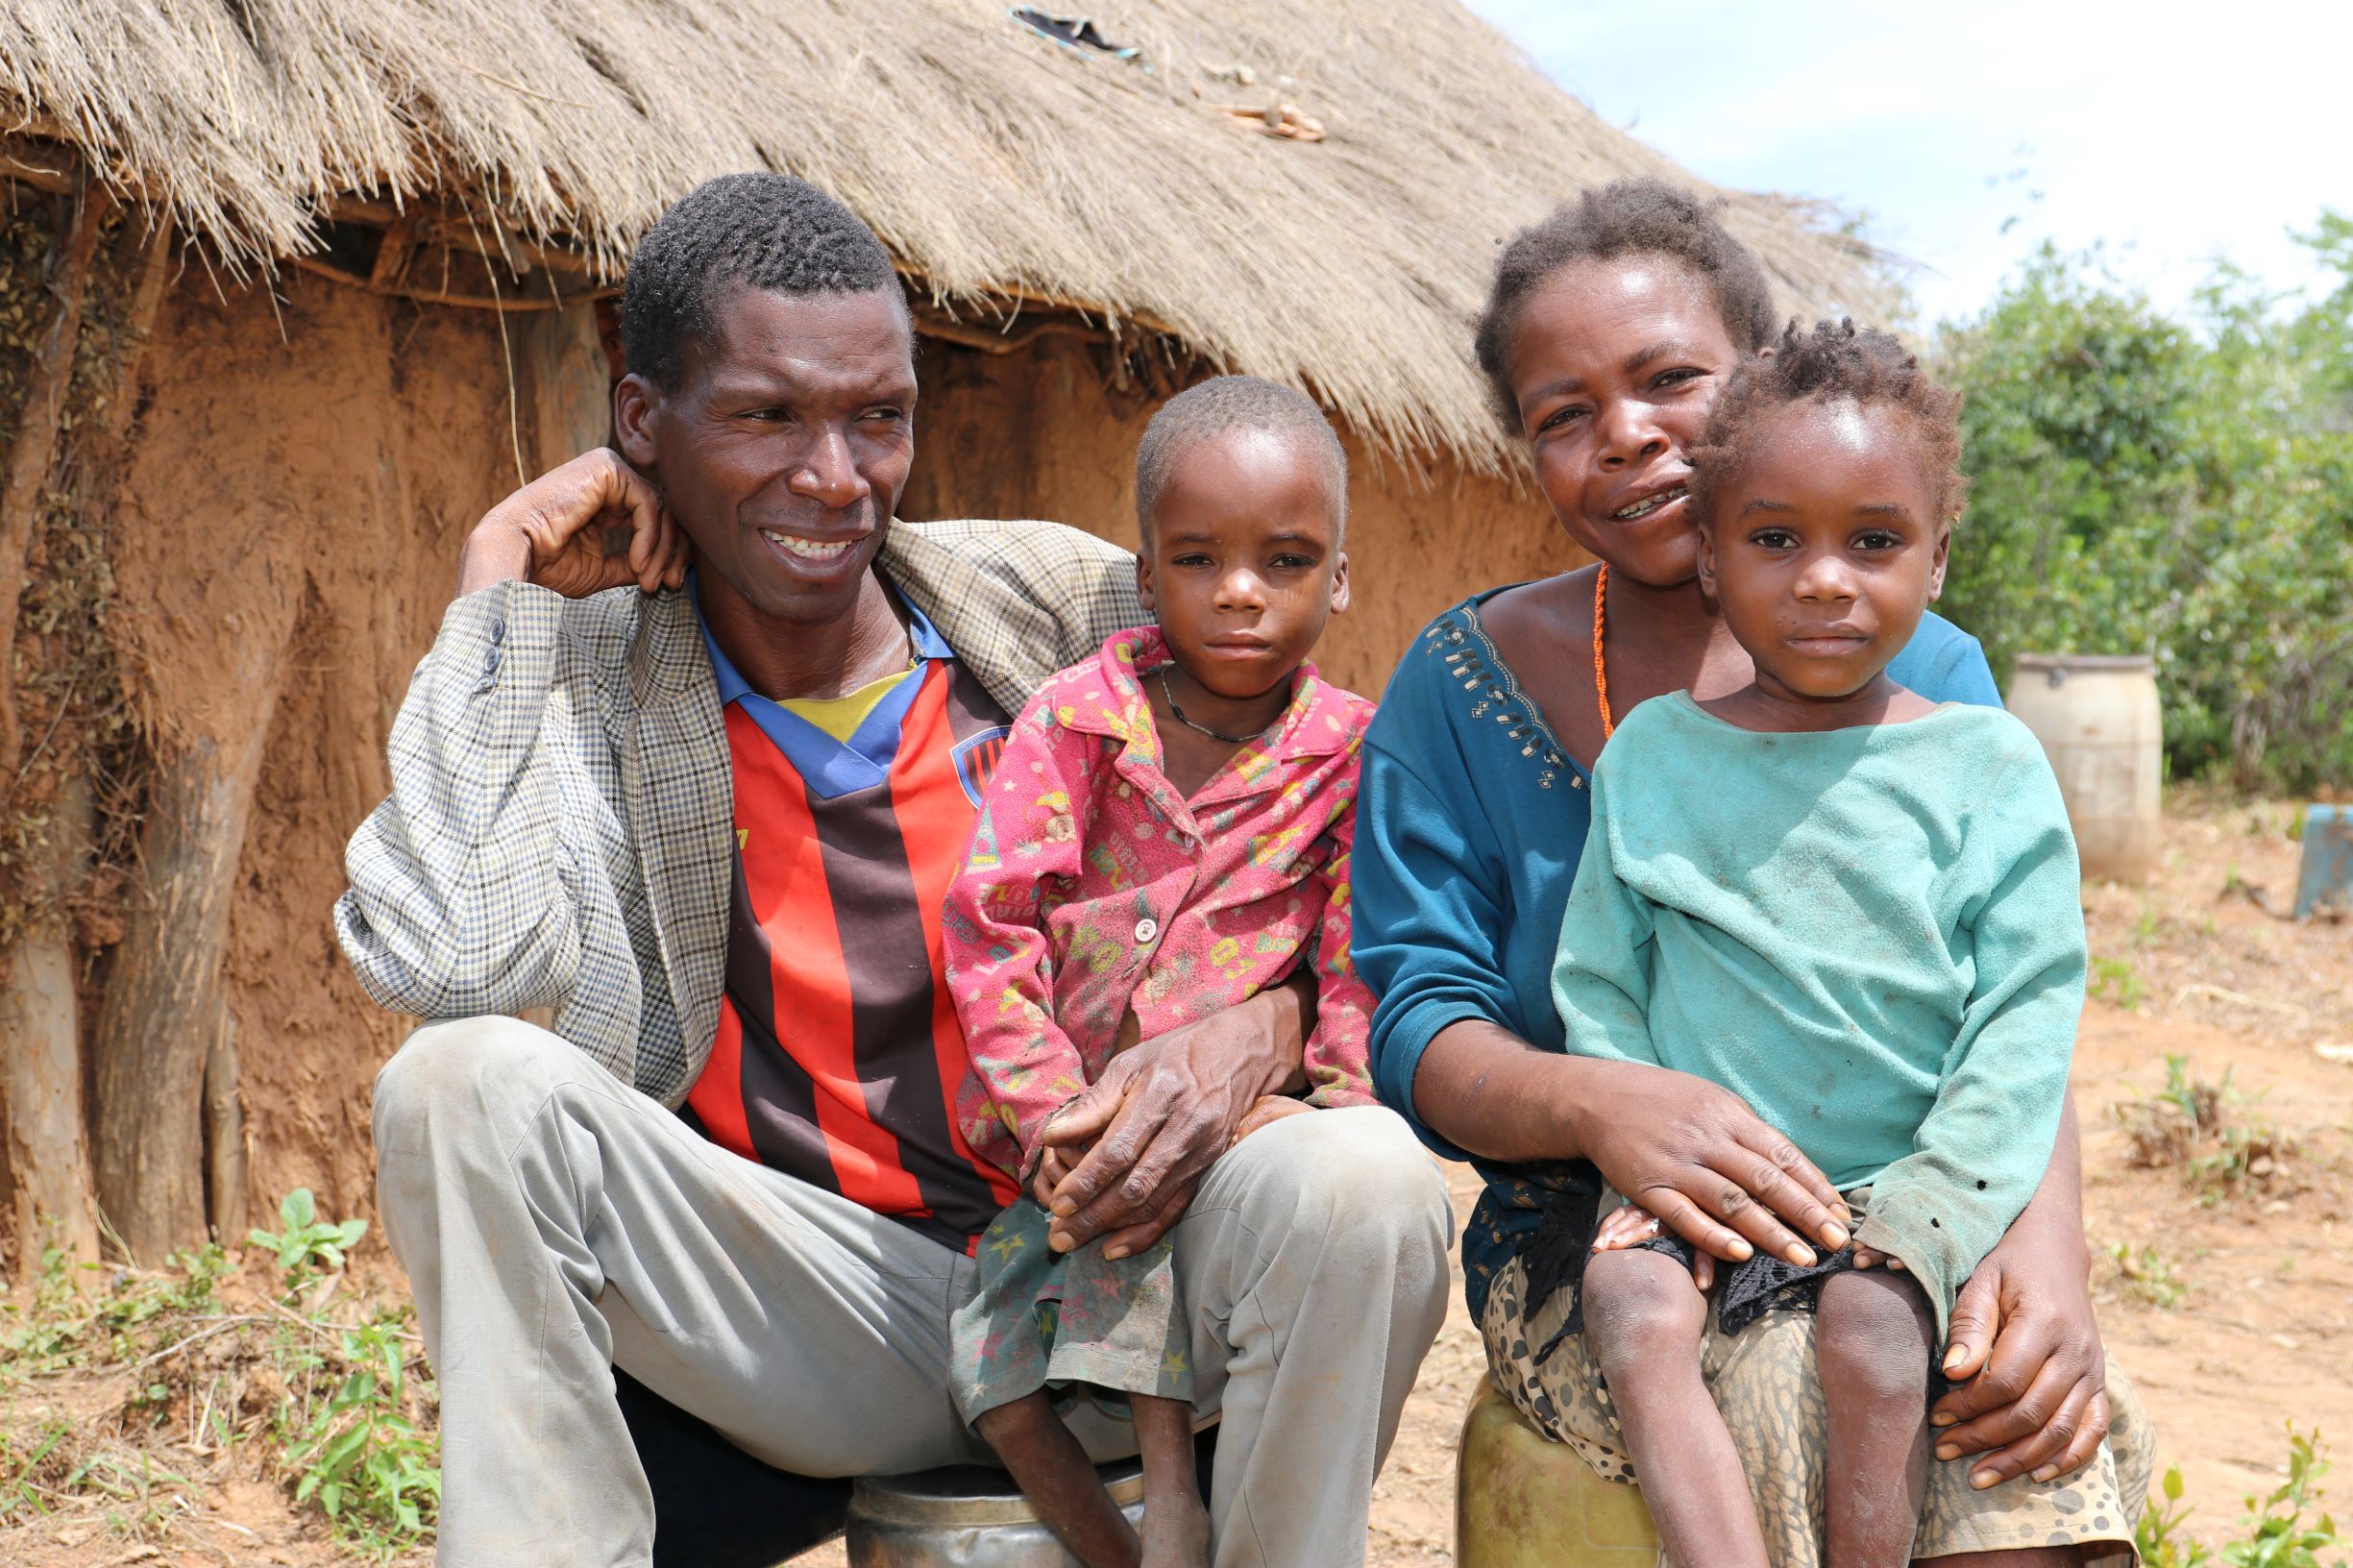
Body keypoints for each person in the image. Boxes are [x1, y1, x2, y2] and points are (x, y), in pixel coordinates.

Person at [336, 172, 1452, 1568]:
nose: (834, 476)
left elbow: (1315, 854)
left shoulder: (1064, 611)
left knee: (1363, 1177)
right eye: (764, 415)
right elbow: (454, 965)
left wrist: (1259, 1031)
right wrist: (495, 585)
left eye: (879, 417)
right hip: (818, 1313)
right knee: (457, 1084)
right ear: (642, 423)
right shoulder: (577, 684)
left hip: (1123, 1278)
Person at [1351, 179, 2151, 1567]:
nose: (1629, 435)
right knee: (1796, 1383)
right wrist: (1605, 1108)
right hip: (1607, 1226)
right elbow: (1416, 1019)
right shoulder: (1454, 685)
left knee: (2000, 1395)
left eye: (1671, 380)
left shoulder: (1928, 684)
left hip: (1916, 1184)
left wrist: (2047, 1245)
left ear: (1757, 385)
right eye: (1564, 414)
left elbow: (2007, 995)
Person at [1550, 320, 2083, 1568]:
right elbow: (1601, 983)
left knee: (1872, 1328)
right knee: (1626, 1303)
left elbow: (2026, 1011)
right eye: (1775, 539)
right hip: (1711, 1185)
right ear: (1712, 563)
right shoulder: (1654, 760)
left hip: (1914, 1181)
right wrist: (1654, 1156)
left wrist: (1947, 1193)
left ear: (1937, 560)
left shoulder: (1985, 766)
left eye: (1875, 542)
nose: (1825, 578)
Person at [943, 376, 1383, 1568]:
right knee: (998, 1390)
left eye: (1285, 561)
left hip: (1222, 1133)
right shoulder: (1075, 723)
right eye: (1199, 559)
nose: (1240, 592)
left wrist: (1329, 1113)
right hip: (1053, 1148)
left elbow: (1351, 959)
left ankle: (1179, 1509)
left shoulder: (1349, 756)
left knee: (1159, 1315)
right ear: (1147, 576)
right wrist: (1051, 1119)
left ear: (1338, 579)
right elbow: (992, 924)